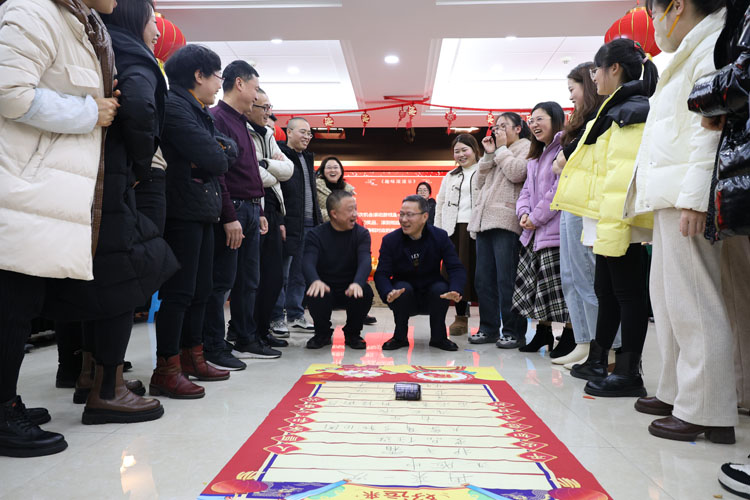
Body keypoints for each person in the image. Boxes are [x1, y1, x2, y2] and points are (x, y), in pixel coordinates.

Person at [0, 0, 120, 456]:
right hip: (22, 188)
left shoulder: (80, 22)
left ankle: (7, 400)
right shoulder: (32, 11)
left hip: (43, 193)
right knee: (12, 305)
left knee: (23, 303)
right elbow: (10, 93)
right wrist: (89, 112)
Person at [625, 0, 734, 442]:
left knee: (695, 302)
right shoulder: (692, 48)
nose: (654, 23)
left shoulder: (713, 45)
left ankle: (706, 408)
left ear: (677, 6)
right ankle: (676, 391)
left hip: (688, 196)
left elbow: (711, 128)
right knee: (670, 302)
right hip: (671, 194)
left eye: (653, 12)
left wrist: (695, 198)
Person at [553, 39, 658, 398]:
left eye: (597, 69)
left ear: (614, 68)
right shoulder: (615, 107)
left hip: (617, 218)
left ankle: (628, 372)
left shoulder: (631, 109)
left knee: (627, 294)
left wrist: (612, 223)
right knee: (607, 291)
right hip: (603, 215)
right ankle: (599, 359)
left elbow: (620, 177)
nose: (594, 77)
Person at [151, 45, 235, 399]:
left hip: (202, 209)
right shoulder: (174, 105)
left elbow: (226, 152)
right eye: (217, 76)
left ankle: (193, 356)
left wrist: (216, 152)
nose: (218, 84)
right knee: (179, 293)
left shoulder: (198, 110)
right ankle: (166, 368)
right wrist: (215, 154)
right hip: (181, 211)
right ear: (199, 75)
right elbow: (214, 158)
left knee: (202, 290)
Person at [202, 60, 279, 366]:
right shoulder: (217, 119)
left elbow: (250, 171)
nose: (257, 95)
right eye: (255, 88)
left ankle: (246, 337)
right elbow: (219, 173)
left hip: (250, 209)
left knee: (249, 280)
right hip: (232, 210)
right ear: (240, 84)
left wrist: (258, 207)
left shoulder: (242, 122)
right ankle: (213, 345)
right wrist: (229, 216)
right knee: (222, 282)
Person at [550, 63, 612, 367]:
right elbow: (559, 161)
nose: (570, 96)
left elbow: (566, 160)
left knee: (587, 275)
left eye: (573, 89)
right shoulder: (580, 120)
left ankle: (603, 345)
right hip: (570, 200)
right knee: (571, 276)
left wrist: (563, 160)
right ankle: (584, 341)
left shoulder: (600, 116)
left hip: (586, 201)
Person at [467, 113, 531, 349]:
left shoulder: (527, 147)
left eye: (503, 126)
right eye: (495, 127)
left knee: (508, 281)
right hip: (483, 222)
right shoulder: (497, 151)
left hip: (506, 221)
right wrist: (488, 154)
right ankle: (488, 328)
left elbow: (517, 173)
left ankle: (514, 332)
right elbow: (478, 183)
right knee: (483, 280)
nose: (498, 130)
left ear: (518, 128)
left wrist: (501, 150)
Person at [511, 102, 570, 353]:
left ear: (555, 119)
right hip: (533, 232)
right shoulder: (535, 156)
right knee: (537, 289)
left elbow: (559, 190)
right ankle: (542, 333)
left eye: (540, 119)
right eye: (531, 120)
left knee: (559, 291)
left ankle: (569, 336)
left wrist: (536, 217)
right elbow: (525, 191)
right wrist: (524, 213)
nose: (534, 124)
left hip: (554, 231)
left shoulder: (564, 149)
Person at [374, 195, 467, 352]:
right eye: (401, 214)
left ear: (424, 217)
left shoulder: (440, 236)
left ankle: (439, 338)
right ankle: (399, 337)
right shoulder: (390, 240)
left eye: (409, 215)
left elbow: (456, 267)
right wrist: (388, 292)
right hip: (404, 296)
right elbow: (381, 274)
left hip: (431, 294)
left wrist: (456, 289)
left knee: (441, 288)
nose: (404, 219)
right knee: (402, 289)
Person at [243, 88, 294, 351]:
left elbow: (288, 170)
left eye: (269, 107)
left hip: (273, 213)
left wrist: (263, 164)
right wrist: (269, 168)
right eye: (264, 107)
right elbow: (248, 173)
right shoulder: (241, 130)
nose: (268, 113)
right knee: (251, 279)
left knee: (273, 278)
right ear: (250, 106)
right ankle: (246, 334)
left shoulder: (268, 134)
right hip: (252, 210)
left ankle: (263, 331)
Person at [270, 117, 323, 336]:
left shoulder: (307, 158)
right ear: (289, 132)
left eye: (309, 133)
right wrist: (280, 221)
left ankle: (295, 314)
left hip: (309, 224)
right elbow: (274, 192)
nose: (307, 137)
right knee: (281, 274)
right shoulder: (280, 155)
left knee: (300, 274)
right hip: (288, 224)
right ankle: (276, 317)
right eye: (303, 132)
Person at [303, 190, 373, 350]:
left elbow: (365, 260)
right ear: (334, 213)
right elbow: (307, 261)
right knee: (314, 290)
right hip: (326, 288)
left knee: (365, 291)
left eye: (355, 209)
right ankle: (322, 334)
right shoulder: (316, 235)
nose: (355, 214)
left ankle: (353, 334)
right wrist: (315, 280)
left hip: (350, 288)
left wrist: (358, 282)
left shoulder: (361, 234)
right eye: (350, 210)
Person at [434, 134, 480, 336]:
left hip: (477, 229)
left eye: (464, 150)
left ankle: (488, 321)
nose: (461, 154)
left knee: (478, 274)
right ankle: (460, 317)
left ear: (475, 150)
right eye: (457, 151)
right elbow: (440, 204)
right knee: (455, 273)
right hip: (453, 230)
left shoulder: (484, 170)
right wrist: (438, 232)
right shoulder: (450, 176)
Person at [316, 156, 355, 223]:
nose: (332, 170)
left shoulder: (348, 190)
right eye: (329, 167)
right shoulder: (315, 187)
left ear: (341, 171)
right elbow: (314, 212)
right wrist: (339, 215)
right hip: (321, 227)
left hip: (343, 227)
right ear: (323, 171)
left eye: (335, 167)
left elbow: (351, 213)